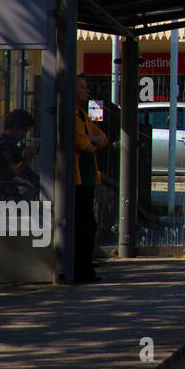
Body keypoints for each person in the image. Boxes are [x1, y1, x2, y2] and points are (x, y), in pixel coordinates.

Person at [73, 76, 107, 282]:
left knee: (89, 225)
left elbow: (102, 138)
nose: (87, 90)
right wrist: (89, 142)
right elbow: (82, 143)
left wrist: (90, 141)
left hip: (87, 179)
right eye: (83, 87)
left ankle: (86, 268)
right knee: (81, 225)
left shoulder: (83, 115)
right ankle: (79, 269)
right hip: (74, 180)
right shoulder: (70, 114)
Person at [0, 109, 41, 200]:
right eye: (24, 131)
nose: (24, 135)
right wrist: (28, 157)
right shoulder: (5, 145)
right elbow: (16, 170)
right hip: (7, 194)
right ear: (16, 128)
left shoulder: (9, 143)